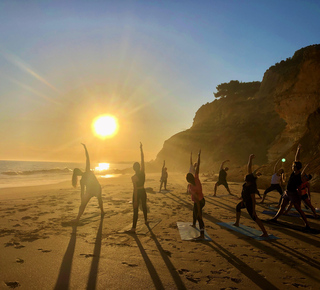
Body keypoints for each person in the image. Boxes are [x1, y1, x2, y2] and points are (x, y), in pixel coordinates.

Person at [270, 144, 311, 229]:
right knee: (282, 206)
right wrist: (298, 149)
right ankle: (275, 218)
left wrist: (299, 196)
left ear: (296, 167)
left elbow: (299, 188)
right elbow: (297, 158)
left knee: (298, 209)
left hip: (293, 194)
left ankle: (306, 224)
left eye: (293, 166)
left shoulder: (298, 176)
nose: (292, 167)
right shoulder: (294, 172)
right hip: (287, 192)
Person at [234, 154, 268, 237]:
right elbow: (249, 168)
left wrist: (253, 210)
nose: (244, 176)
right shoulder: (246, 184)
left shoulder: (251, 187)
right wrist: (250, 159)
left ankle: (265, 232)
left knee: (254, 217)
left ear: (248, 179)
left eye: (246, 177)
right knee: (238, 207)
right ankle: (237, 223)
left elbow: (253, 200)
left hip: (249, 203)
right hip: (245, 201)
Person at [72, 143, 104, 223]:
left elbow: (87, 159)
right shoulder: (81, 180)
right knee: (83, 205)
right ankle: (77, 218)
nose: (79, 173)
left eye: (78, 172)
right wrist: (82, 199)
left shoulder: (87, 171)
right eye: (77, 173)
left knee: (99, 200)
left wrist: (85, 149)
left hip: (96, 188)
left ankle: (102, 212)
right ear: (77, 174)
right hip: (90, 191)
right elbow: (82, 192)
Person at [186, 150, 206, 240]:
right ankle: (194, 224)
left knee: (199, 216)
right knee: (194, 212)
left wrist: (199, 211)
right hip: (201, 200)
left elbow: (197, 201)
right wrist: (199, 156)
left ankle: (202, 234)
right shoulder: (196, 178)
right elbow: (198, 166)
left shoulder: (192, 189)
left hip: (199, 202)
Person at [129, 142, 148, 233]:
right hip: (143, 191)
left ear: (133, 168)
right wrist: (141, 149)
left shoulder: (134, 177)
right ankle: (146, 220)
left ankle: (133, 228)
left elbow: (135, 190)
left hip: (138, 192)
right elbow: (142, 160)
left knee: (135, 210)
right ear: (139, 167)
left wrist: (135, 201)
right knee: (144, 206)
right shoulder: (142, 172)